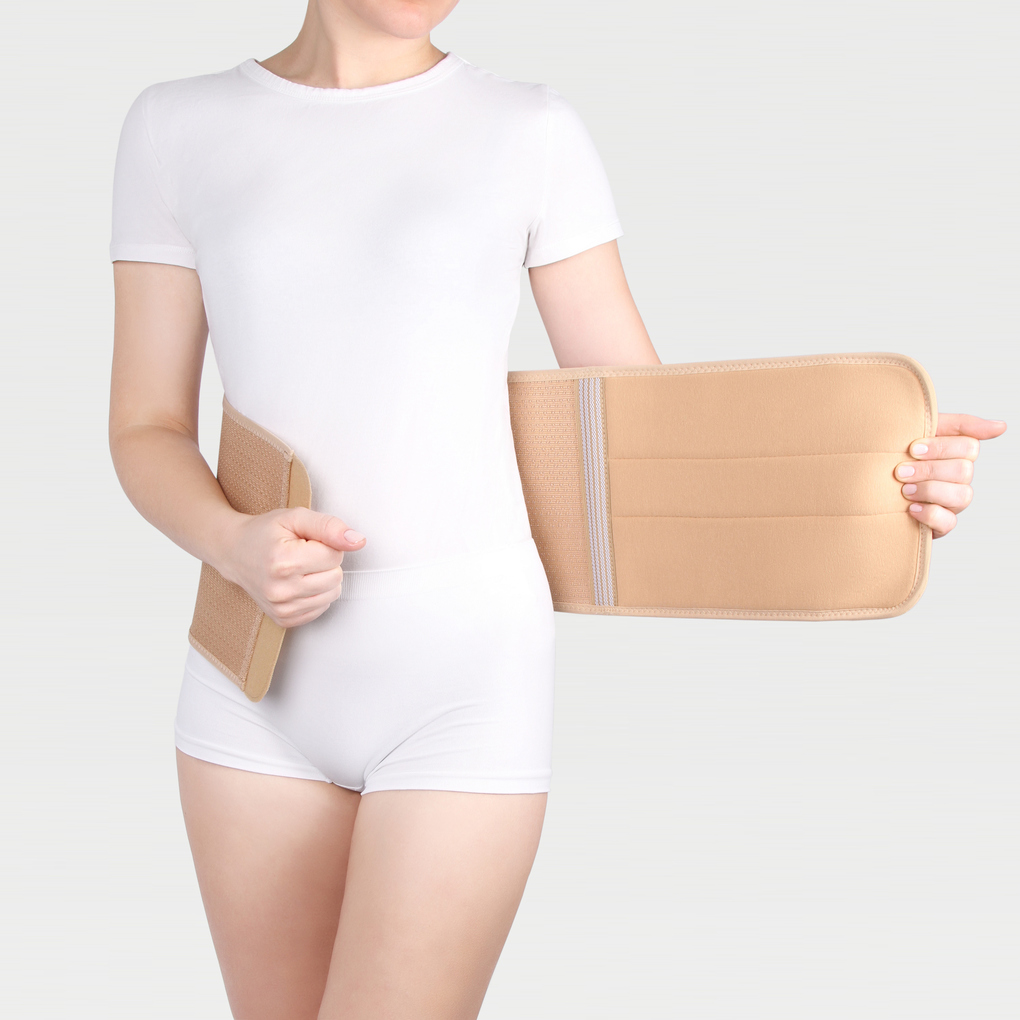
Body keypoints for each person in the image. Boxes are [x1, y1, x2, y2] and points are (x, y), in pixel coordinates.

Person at [107, 2, 1006, 1017]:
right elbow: (145, 424)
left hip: (460, 678)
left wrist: (886, 475)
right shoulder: (174, 126)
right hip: (252, 682)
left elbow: (651, 440)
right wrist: (233, 542)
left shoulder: (528, 131)